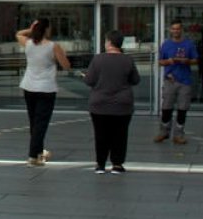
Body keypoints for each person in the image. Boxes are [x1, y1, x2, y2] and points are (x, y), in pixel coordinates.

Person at [15, 18, 71, 166]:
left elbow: (18, 33)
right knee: (41, 123)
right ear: (47, 29)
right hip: (46, 89)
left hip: (29, 87)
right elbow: (66, 65)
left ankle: (39, 153)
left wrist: (30, 28)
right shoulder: (53, 46)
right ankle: (33, 157)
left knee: (34, 122)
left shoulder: (28, 43)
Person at [84, 29, 140, 174]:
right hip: (122, 104)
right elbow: (135, 80)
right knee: (120, 135)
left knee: (101, 134)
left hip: (99, 104)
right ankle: (117, 164)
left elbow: (89, 80)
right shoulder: (128, 60)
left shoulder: (98, 59)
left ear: (108, 42)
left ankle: (100, 164)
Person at [155, 20, 199, 145]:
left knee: (182, 109)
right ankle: (163, 132)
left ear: (181, 30)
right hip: (170, 80)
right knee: (166, 108)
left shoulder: (189, 44)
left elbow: (196, 60)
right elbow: (160, 62)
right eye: (173, 29)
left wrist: (188, 61)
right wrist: (169, 61)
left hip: (185, 81)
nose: (176, 31)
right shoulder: (166, 44)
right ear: (170, 30)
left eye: (178, 29)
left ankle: (179, 134)